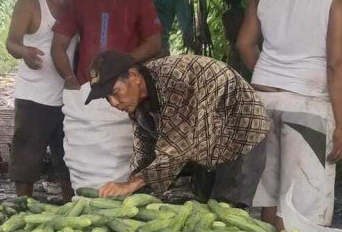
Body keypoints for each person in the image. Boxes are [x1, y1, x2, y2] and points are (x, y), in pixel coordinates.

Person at [236, 0, 342, 230]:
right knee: (302, 207)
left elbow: (245, 44)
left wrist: (274, 79)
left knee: (268, 196)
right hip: (307, 107)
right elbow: (337, 62)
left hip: (262, 100)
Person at [52, 0, 162, 191]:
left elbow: (154, 42)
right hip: (88, 91)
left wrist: (126, 62)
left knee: (126, 156)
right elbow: (58, 45)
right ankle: (84, 199)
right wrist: (70, 80)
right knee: (84, 159)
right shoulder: (79, 0)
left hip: (124, 88)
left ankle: (126, 196)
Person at [88, 51, 270, 199]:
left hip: (239, 131)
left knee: (227, 210)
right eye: (107, 97)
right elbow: (144, 147)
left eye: (115, 92)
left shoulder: (174, 80)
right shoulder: (137, 98)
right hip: (205, 138)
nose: (113, 102)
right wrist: (133, 188)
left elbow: (176, 148)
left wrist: (132, 184)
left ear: (134, 76)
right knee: (202, 203)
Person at [5, 0, 76, 201]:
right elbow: (11, 42)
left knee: (70, 161)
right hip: (34, 97)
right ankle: (23, 210)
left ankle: (73, 210)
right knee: (26, 163)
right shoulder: (30, 2)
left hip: (70, 95)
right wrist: (25, 52)